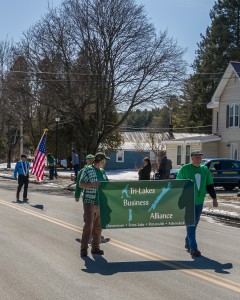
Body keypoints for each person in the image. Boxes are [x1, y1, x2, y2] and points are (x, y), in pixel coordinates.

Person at [176, 150, 218, 257]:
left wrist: (214, 198)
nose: (199, 159)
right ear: (192, 158)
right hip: (188, 201)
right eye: (197, 157)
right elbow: (178, 183)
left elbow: (209, 184)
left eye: (200, 157)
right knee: (191, 223)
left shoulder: (204, 170)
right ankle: (193, 248)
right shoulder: (185, 169)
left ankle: (188, 241)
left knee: (195, 223)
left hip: (200, 201)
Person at [79, 152, 110, 257]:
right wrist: (92, 184)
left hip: (100, 202)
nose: (105, 162)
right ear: (101, 160)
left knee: (98, 226)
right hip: (89, 201)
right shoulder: (88, 170)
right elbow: (81, 184)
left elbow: (106, 184)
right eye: (104, 160)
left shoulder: (102, 171)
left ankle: (95, 247)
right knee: (89, 225)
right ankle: (83, 249)